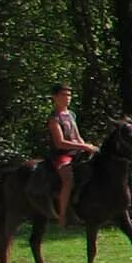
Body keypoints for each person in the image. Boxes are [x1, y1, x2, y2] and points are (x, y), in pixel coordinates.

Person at [45, 83, 96, 226]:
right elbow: (60, 142)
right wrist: (82, 146)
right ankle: (62, 216)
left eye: (69, 95)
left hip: (77, 152)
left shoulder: (71, 114)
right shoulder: (54, 118)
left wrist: (88, 147)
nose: (67, 98)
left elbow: (77, 136)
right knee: (68, 180)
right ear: (54, 97)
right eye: (63, 95)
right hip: (62, 154)